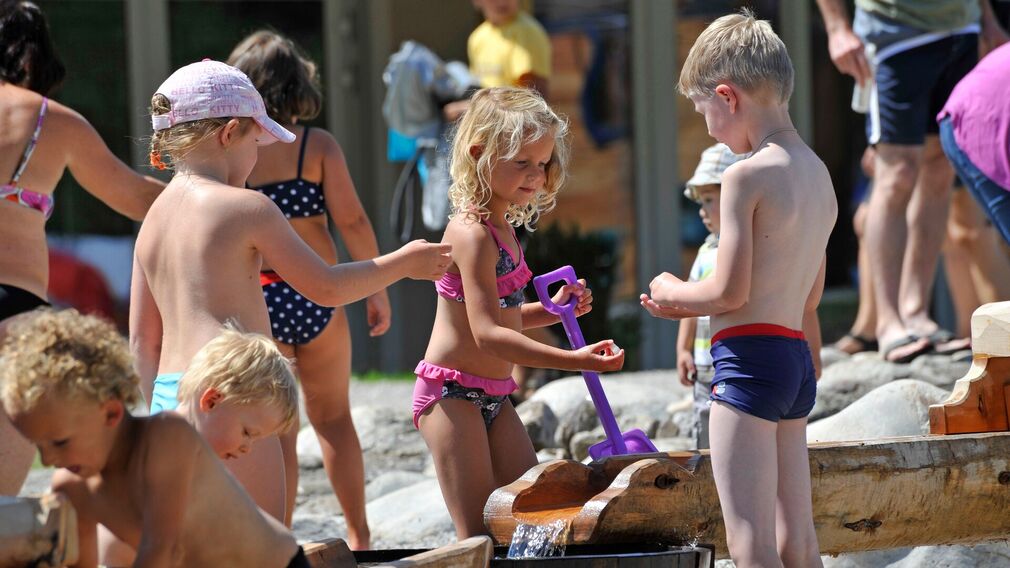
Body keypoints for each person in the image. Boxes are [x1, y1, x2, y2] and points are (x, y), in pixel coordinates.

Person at [129, 59, 452, 524]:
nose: (257, 157)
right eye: (256, 141)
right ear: (229, 133)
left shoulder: (153, 221)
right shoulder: (248, 207)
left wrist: (159, 414)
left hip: (168, 398)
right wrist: (404, 262)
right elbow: (324, 287)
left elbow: (143, 340)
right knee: (262, 545)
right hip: (234, 394)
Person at [642, 11, 835, 566]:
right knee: (798, 533)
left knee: (747, 536)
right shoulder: (820, 175)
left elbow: (728, 292)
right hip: (794, 361)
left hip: (747, 362)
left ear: (727, 97)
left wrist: (672, 290)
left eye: (704, 112)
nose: (708, 129)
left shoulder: (743, 175)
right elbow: (811, 298)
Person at [415, 86, 624, 539]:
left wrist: (553, 311)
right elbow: (488, 333)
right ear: (479, 154)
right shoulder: (471, 234)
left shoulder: (503, 226)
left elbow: (502, 316)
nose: (536, 174)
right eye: (521, 163)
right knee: (478, 538)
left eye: (544, 163)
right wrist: (574, 361)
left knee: (529, 520)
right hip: (451, 396)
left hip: (494, 394)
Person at [226, 31, 384, 546]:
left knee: (278, 432)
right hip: (319, 292)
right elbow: (353, 220)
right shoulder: (315, 146)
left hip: (262, 296)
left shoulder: (235, 149)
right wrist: (375, 288)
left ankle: (281, 538)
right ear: (298, 84)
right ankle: (359, 535)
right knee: (335, 419)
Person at [0, 0, 164, 495]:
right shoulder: (52, 120)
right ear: (31, 58)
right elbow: (135, 198)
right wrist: (215, 194)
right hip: (16, 308)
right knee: (4, 492)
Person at [0, 309, 311, 568]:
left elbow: (162, 550)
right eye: (39, 446)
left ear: (110, 414)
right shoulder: (71, 487)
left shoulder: (167, 439)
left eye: (60, 442)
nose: (49, 460)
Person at [815, 0, 1007, 362]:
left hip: (962, 29)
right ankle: (888, 323)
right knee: (897, 172)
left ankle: (916, 314)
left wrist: (987, 17)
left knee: (940, 168)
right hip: (894, 33)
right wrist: (837, 27)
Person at [96, 322, 301, 566]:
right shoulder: (169, 447)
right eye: (247, 432)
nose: (248, 448)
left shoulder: (185, 448)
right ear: (212, 401)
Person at [675, 143, 744, 449]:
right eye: (700, 202)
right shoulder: (705, 253)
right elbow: (689, 303)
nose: (701, 211)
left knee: (732, 430)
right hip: (703, 365)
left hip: (732, 362)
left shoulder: (743, 249)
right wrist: (682, 350)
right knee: (703, 428)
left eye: (709, 200)